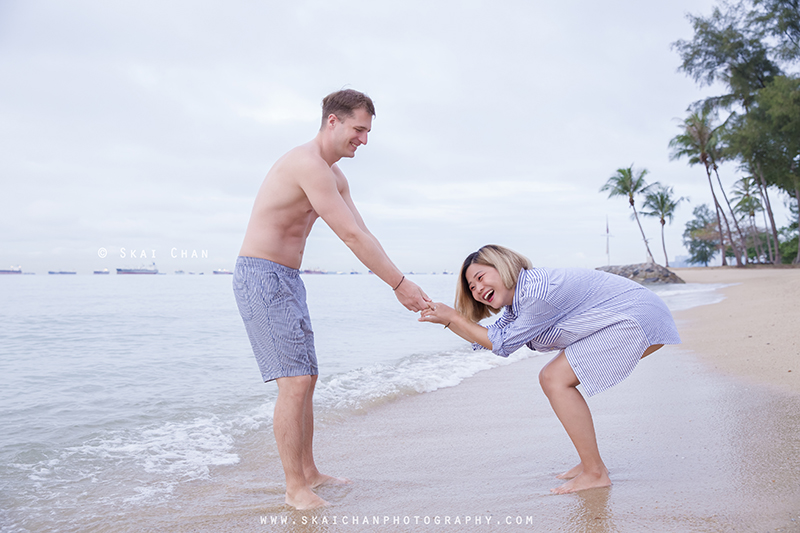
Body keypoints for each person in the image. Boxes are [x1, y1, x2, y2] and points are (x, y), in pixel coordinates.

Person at [233, 89, 429, 510]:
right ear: (333, 121)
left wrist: (401, 280)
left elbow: (364, 231)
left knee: (308, 379)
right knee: (294, 382)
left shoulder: (336, 176)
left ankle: (309, 472)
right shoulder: (307, 165)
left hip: (287, 278)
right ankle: (294, 489)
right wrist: (399, 285)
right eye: (358, 129)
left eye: (368, 131)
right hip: (260, 277)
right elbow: (351, 237)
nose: (363, 139)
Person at [419, 244, 680, 494]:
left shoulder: (535, 293)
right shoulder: (518, 300)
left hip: (638, 318)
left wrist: (453, 317)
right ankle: (590, 463)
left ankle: (595, 472)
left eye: (480, 277)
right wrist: (447, 319)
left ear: (502, 265)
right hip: (636, 315)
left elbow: (502, 344)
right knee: (553, 377)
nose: (477, 289)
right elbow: (491, 337)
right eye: (472, 287)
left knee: (554, 378)